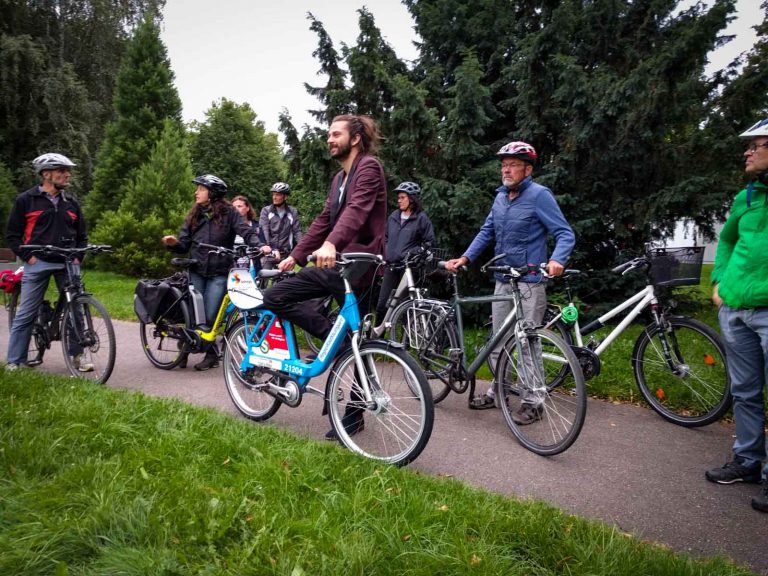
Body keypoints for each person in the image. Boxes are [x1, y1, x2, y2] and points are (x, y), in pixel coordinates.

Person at [262, 114, 387, 439]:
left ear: (355, 138)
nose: (329, 139)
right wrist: (296, 255)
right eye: (329, 134)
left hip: (358, 266)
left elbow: (357, 211)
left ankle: (353, 413)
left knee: (277, 297)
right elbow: (323, 220)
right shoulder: (339, 178)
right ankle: (340, 348)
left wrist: (331, 244)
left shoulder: (368, 168)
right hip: (339, 265)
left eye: (336, 134)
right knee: (354, 342)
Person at [444, 141, 575, 422]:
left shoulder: (540, 196)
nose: (506, 169)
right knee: (498, 340)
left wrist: (557, 259)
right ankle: (498, 391)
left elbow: (565, 233)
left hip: (529, 281)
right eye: (504, 165)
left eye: (513, 164)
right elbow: (487, 231)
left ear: (528, 169)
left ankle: (533, 401)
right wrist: (465, 258)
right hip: (503, 278)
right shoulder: (501, 198)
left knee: (527, 341)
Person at [705, 118, 768, 513]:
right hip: (736, 308)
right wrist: (719, 282)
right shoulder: (746, 197)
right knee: (744, 391)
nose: (747, 151)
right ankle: (747, 461)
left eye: (756, 145)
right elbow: (727, 240)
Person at [161, 174, 262, 371]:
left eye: (201, 189)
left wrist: (259, 245)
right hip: (197, 269)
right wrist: (174, 244)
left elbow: (246, 231)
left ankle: (211, 354)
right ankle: (185, 349)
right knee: (193, 314)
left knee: (209, 315)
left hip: (219, 271)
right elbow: (184, 245)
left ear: (212, 193)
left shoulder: (229, 213)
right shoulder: (195, 214)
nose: (196, 192)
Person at [5, 153, 91, 372]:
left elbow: (82, 236)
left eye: (68, 171)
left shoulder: (71, 202)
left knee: (76, 309)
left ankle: (78, 356)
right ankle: (15, 360)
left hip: (67, 262)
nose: (67, 175)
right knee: (27, 312)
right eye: (62, 171)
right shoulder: (26, 200)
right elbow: (12, 235)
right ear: (46, 174)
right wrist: (29, 257)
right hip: (38, 261)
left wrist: (78, 257)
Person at [375, 181, 435, 322]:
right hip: (391, 267)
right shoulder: (393, 216)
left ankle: (405, 336)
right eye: (399, 198)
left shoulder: (421, 218)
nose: (399, 200)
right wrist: (386, 251)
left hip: (408, 269)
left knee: (404, 308)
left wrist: (413, 253)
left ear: (412, 199)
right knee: (382, 306)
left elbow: (429, 242)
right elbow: (386, 237)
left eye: (402, 197)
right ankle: (376, 334)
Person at [259, 182, 302, 269]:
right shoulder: (266, 211)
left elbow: (297, 232)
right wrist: (272, 249)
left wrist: (303, 247)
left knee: (287, 277)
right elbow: (264, 230)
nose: (274, 197)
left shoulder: (292, 212)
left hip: (286, 254)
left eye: (277, 195)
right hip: (269, 253)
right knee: (264, 275)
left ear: (285, 197)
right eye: (273, 194)